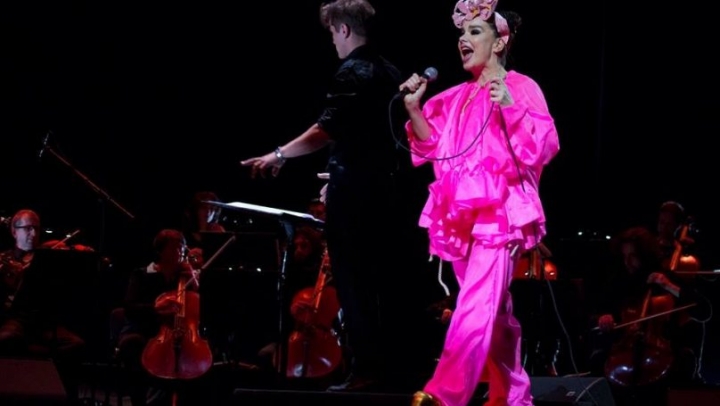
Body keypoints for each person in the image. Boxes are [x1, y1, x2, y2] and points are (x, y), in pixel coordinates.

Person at [240, 0, 415, 391]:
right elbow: (383, 139)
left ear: (344, 29)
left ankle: (366, 371)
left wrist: (278, 155)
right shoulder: (390, 71)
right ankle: (390, 371)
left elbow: (327, 129)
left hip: (355, 197)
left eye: (333, 32)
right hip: (387, 192)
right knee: (382, 282)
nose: (333, 41)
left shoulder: (351, 71)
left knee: (353, 281)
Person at [399, 0, 560, 404]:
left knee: (476, 303)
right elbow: (432, 148)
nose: (463, 40)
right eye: (461, 33)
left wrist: (509, 106)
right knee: (494, 313)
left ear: (500, 41)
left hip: (501, 215)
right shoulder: (456, 97)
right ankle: (514, 396)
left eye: (474, 32)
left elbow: (541, 148)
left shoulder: (521, 87)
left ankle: (445, 394)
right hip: (460, 218)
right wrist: (415, 109)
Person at [588, 226, 708, 405]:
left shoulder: (666, 277)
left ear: (645, 255)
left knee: (684, 363)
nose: (627, 262)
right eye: (624, 257)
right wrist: (603, 318)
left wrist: (668, 285)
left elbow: (704, 311)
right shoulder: (620, 281)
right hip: (625, 348)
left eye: (633, 256)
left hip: (664, 350)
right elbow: (597, 313)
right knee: (597, 361)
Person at [0, 209, 86, 401]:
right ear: (14, 231)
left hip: (43, 322)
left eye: (36, 229)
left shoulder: (49, 258)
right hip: (15, 319)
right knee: (7, 338)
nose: (33, 234)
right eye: (27, 228)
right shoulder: (4, 259)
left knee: (76, 344)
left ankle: (59, 395)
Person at [110, 229, 200, 406]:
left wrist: (193, 278)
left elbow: (197, 306)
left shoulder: (184, 277)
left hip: (174, 333)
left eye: (182, 248)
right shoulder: (142, 274)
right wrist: (155, 308)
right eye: (175, 248)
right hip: (142, 330)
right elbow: (130, 308)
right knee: (133, 344)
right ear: (161, 251)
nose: (180, 253)